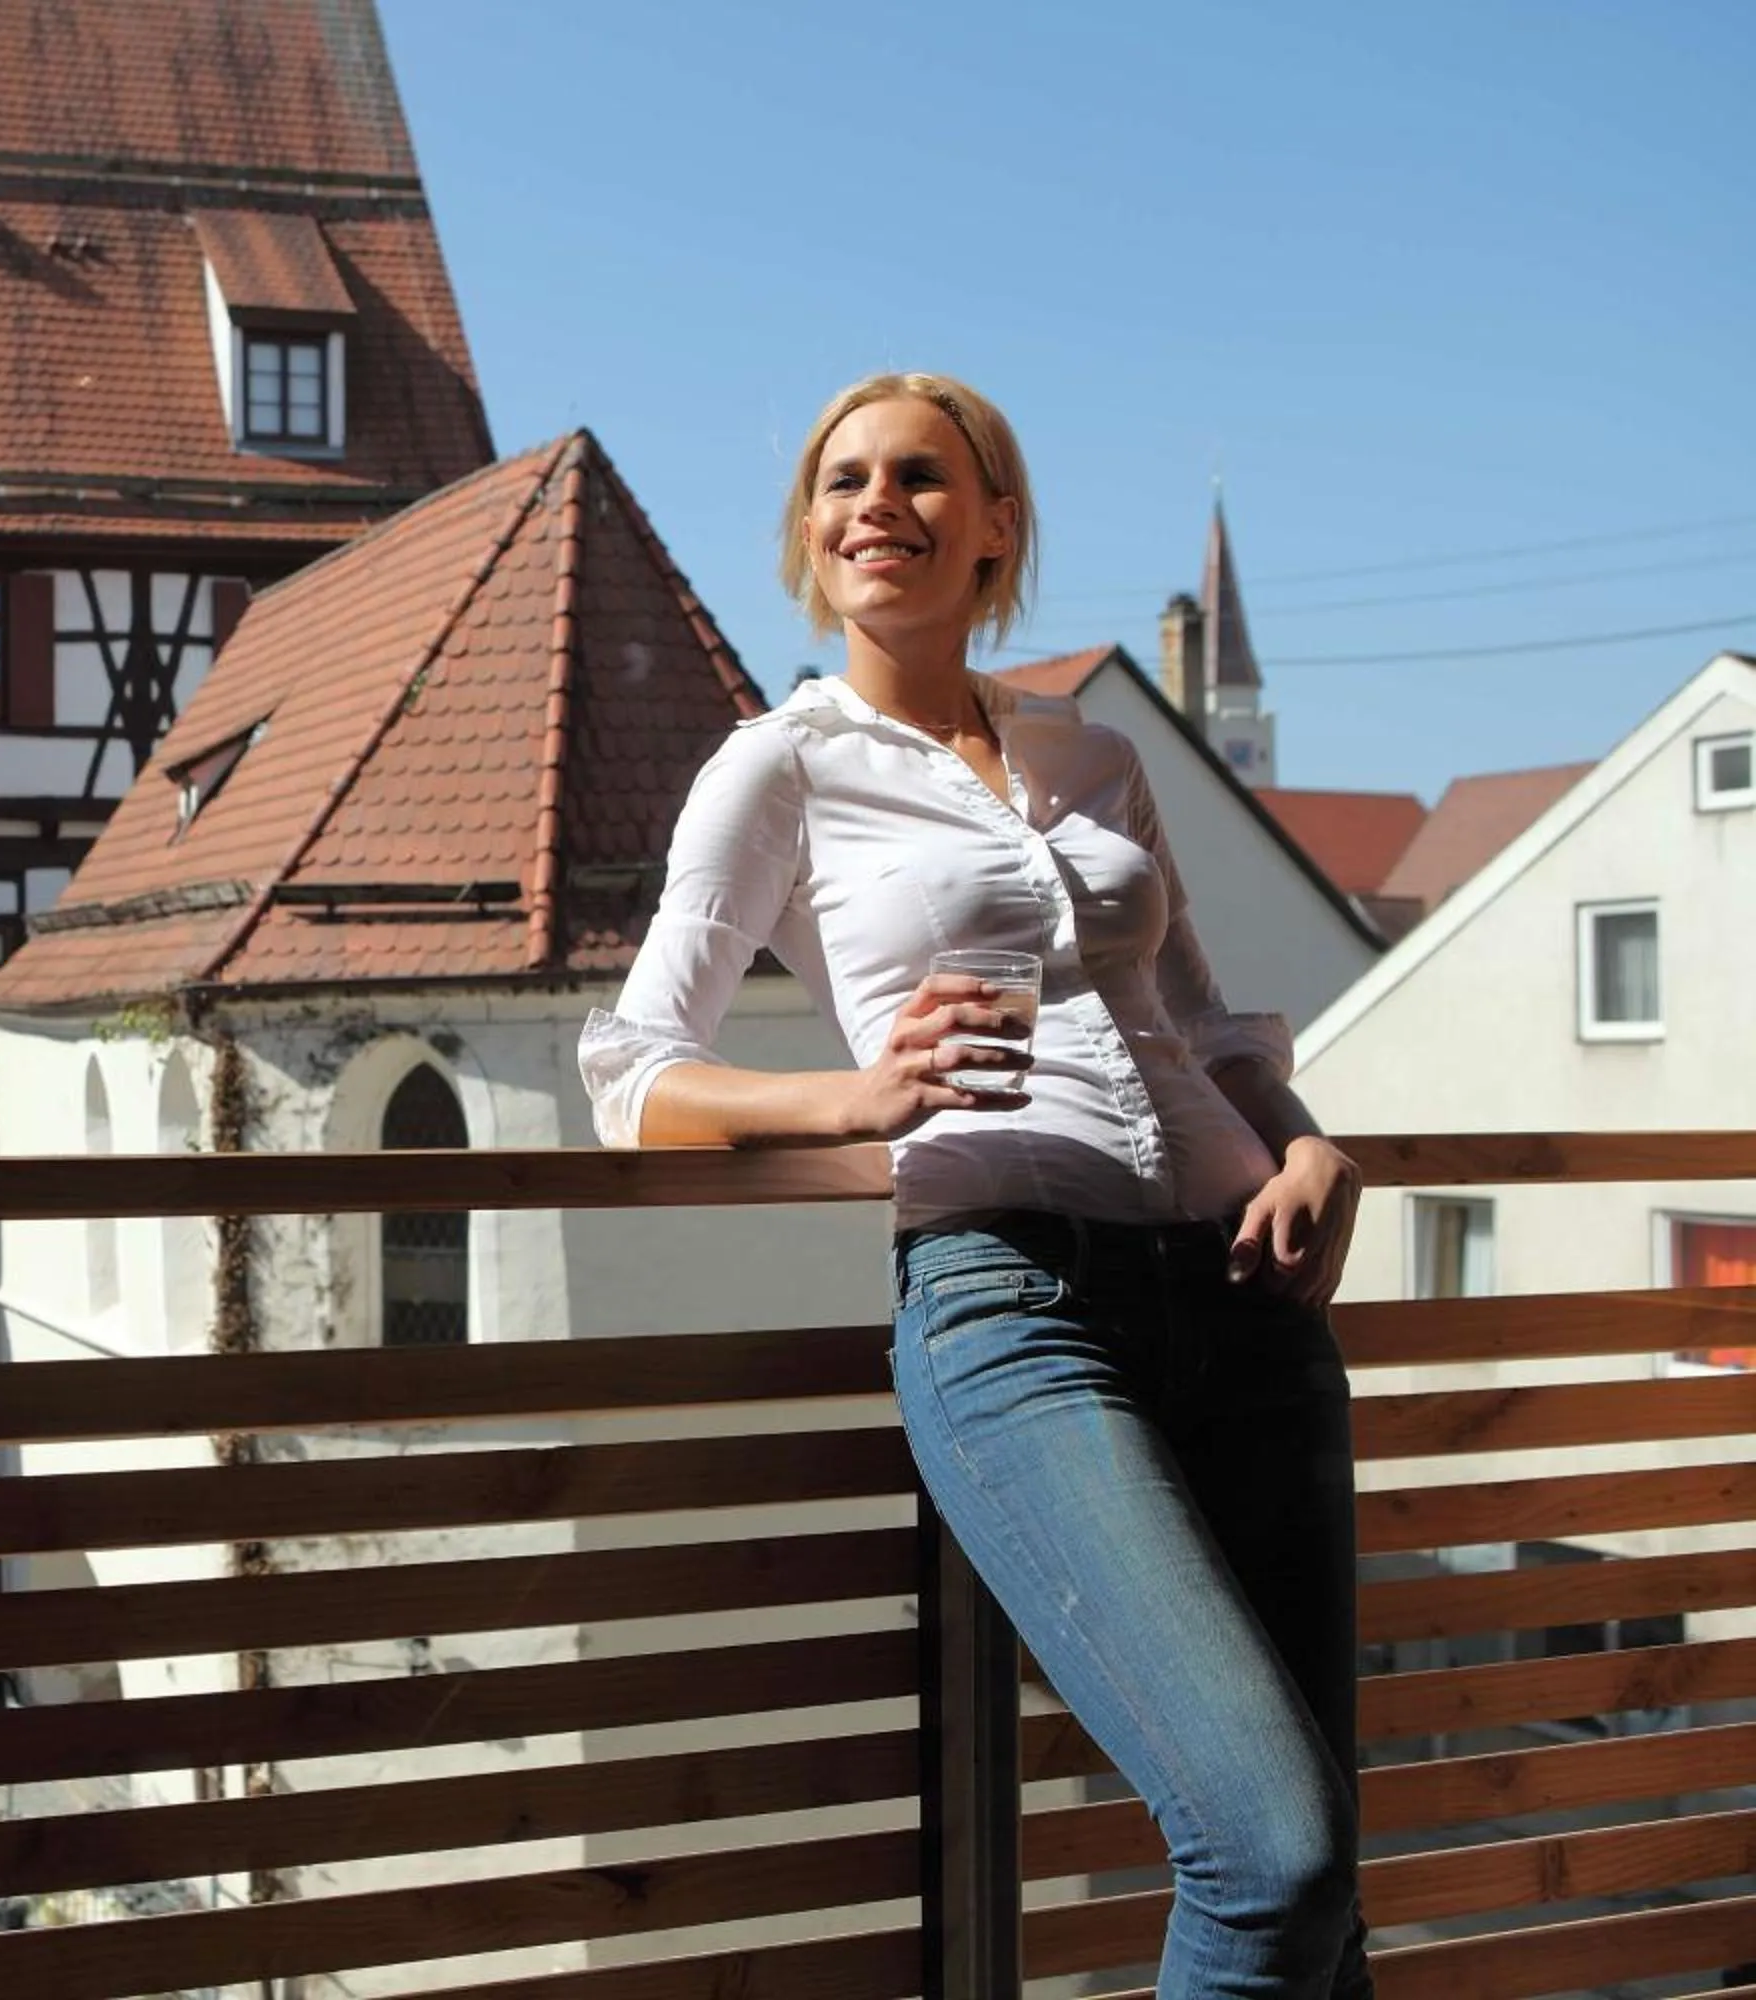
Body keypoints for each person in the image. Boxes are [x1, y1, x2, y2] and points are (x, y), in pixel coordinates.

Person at [578, 372, 1369, 1999]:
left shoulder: (1097, 755)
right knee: (1269, 1854)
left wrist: (1302, 1140)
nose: (878, 502)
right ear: (811, 533)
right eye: (844, 479)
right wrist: (855, 1099)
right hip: (1017, 1314)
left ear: (996, 522)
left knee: (1327, 1892)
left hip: (1250, 1297)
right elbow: (633, 1071)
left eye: (922, 475)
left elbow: (1202, 1025)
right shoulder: (778, 767)